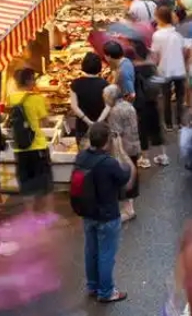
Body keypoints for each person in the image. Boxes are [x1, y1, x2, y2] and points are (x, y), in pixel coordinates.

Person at [75, 123, 134, 303]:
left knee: (90, 251)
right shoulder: (109, 163)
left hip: (88, 213)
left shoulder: (81, 157)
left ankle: (92, 286)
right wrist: (120, 150)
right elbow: (127, 177)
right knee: (106, 254)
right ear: (107, 141)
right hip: (107, 215)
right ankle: (106, 292)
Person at [8, 68, 54, 212]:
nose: (34, 81)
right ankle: (42, 214)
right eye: (33, 79)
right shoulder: (36, 98)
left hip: (19, 147)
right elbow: (45, 122)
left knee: (26, 181)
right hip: (37, 145)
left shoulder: (11, 98)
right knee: (42, 182)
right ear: (28, 81)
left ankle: (29, 214)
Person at [100, 85, 140, 222]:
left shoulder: (115, 112)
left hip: (123, 149)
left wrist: (111, 149)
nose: (104, 100)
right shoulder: (129, 106)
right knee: (132, 176)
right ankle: (130, 207)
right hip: (134, 145)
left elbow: (116, 133)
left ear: (111, 97)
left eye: (105, 97)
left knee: (124, 179)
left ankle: (128, 210)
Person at [132, 41, 168, 168]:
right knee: (156, 128)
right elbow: (160, 85)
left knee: (142, 130)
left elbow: (133, 89)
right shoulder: (153, 67)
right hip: (153, 101)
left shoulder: (134, 69)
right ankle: (162, 155)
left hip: (141, 103)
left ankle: (145, 158)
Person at [152, 6, 187, 131]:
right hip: (179, 68)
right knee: (179, 97)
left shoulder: (157, 35)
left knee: (166, 98)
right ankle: (180, 122)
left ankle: (168, 124)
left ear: (160, 19)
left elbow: (155, 55)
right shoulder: (178, 34)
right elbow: (184, 51)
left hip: (164, 69)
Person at [70, 53, 109, 145]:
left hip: (82, 126)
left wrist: (88, 121)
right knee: (101, 154)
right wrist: (98, 122)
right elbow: (108, 106)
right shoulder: (105, 84)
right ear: (99, 67)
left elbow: (74, 106)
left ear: (83, 66)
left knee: (84, 154)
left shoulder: (75, 84)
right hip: (101, 128)